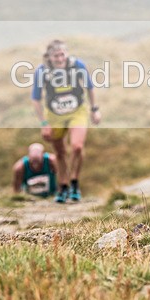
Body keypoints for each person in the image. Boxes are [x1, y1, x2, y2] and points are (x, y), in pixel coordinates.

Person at [31, 39, 101, 203]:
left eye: (62, 54)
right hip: (54, 115)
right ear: (49, 57)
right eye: (56, 56)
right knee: (60, 152)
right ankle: (63, 186)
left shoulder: (77, 66)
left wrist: (94, 109)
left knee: (77, 146)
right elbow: (36, 99)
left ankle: (74, 182)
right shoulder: (42, 71)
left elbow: (90, 87)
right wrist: (44, 123)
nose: (60, 58)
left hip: (77, 112)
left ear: (67, 53)